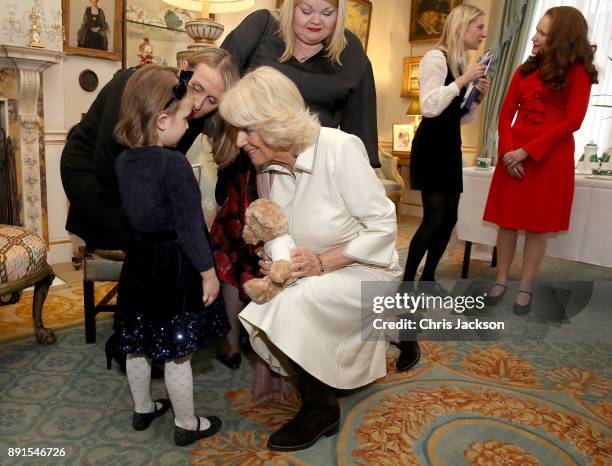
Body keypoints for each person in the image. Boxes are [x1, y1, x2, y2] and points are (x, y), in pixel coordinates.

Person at [219, 66, 400, 451]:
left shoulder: (339, 148)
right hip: (318, 270)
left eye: (246, 130)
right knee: (275, 296)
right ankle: (344, 372)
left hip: (366, 269)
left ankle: (320, 408)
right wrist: (278, 263)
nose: (238, 141)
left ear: (274, 122)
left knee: (287, 305)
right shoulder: (267, 168)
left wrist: (321, 263)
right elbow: (281, 234)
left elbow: (383, 227)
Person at [213, 0, 380, 388]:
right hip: (248, 166)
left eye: (327, 11)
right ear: (289, 7)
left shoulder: (353, 53)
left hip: (312, 173)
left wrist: (362, 188)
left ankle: (291, 356)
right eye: (307, 9)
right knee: (242, 252)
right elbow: (216, 84)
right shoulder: (260, 29)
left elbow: (361, 129)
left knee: (296, 258)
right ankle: (232, 337)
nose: (316, 21)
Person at [60, 48, 239, 374]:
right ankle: (139, 336)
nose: (199, 105)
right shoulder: (135, 85)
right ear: (184, 69)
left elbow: (163, 170)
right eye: (198, 88)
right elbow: (108, 163)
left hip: (133, 182)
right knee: (159, 249)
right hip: (96, 180)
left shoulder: (186, 111)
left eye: (213, 100)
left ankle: (149, 333)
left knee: (172, 245)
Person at [113, 64, 227, 446]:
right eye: (182, 117)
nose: (186, 124)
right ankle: (186, 423)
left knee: (138, 342)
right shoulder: (174, 163)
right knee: (179, 351)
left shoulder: (123, 161)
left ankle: (143, 408)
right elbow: (190, 227)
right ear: (162, 120)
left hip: (139, 261)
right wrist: (208, 273)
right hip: (174, 264)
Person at [482, 6, 597, 313]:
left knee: (537, 226)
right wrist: (507, 151)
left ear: (561, 39)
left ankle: (526, 285)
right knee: (507, 222)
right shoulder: (523, 70)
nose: (534, 37)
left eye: (543, 33)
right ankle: (502, 279)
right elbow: (505, 114)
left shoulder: (578, 73)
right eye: (537, 30)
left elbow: (572, 121)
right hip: (513, 158)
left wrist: (527, 151)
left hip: (548, 158)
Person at [401, 4, 489, 371]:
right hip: (432, 146)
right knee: (433, 218)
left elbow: (459, 115)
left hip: (450, 145)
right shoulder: (435, 57)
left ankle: (431, 275)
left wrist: (476, 96)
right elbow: (432, 106)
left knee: (449, 218)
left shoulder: (461, 62)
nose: (483, 34)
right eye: (479, 27)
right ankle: (408, 282)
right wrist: (463, 80)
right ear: (462, 26)